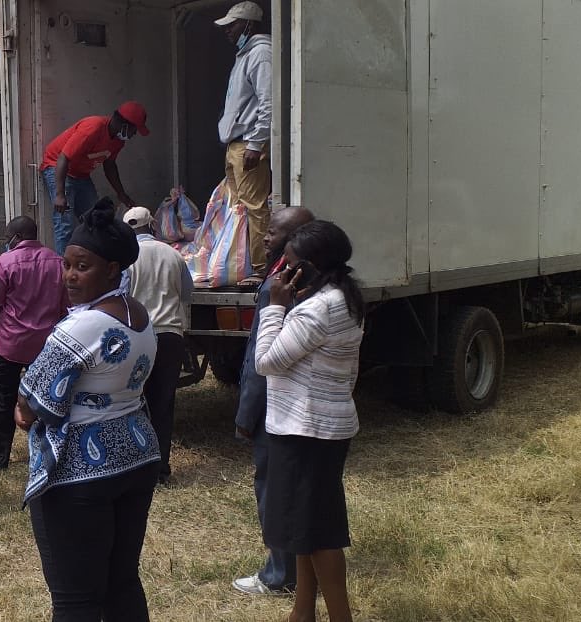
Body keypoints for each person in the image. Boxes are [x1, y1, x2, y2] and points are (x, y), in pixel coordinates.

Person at [15, 198, 162, 620]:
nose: (71, 276)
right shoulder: (139, 314)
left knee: (75, 598)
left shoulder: (83, 326)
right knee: (121, 581)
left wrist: (24, 408)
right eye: (67, 265)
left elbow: (33, 402)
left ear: (113, 269)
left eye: (83, 266)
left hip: (79, 472)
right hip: (137, 454)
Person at [255, 220, 364, 622]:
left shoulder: (318, 308)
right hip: (321, 425)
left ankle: (340, 615)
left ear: (310, 267)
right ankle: (302, 612)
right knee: (304, 530)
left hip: (306, 430)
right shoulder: (344, 298)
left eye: (290, 264)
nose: (282, 272)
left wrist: (275, 307)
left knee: (319, 535)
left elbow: (266, 361)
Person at [232, 206, 314, 596]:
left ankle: (280, 574)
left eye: (275, 231)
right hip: (302, 405)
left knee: (274, 487)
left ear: (296, 239)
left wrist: (247, 412)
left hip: (275, 406)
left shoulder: (280, 284)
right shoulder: (312, 280)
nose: (265, 235)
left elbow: (260, 359)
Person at [0, 216, 68, 470]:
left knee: (1, 401)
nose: (6, 242)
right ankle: (49, 454)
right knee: (48, 400)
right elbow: (65, 306)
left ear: (16, 237)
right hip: (45, 346)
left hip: (10, 344)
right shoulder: (57, 262)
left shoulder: (5, 262)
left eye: (7, 236)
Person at [122, 206, 193, 484]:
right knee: (163, 403)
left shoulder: (126, 260)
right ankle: (161, 469)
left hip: (137, 336)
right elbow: (188, 292)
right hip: (170, 336)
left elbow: (121, 295)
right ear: (152, 225)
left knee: (133, 401)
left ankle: (136, 465)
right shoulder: (173, 254)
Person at [40, 102, 149, 254]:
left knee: (95, 219)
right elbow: (63, 158)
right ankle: (64, 270)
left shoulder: (118, 141)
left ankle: (90, 261)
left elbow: (110, 165)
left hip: (81, 175)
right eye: (134, 129)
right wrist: (60, 194)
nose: (134, 134)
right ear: (124, 124)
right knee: (65, 225)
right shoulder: (93, 127)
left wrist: (121, 194)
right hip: (58, 168)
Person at [216, 1, 274, 286]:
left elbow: (268, 102)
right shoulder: (244, 55)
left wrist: (256, 143)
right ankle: (242, 266)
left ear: (249, 24)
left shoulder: (261, 53)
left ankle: (261, 268)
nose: (228, 31)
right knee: (237, 208)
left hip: (248, 144)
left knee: (253, 206)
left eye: (233, 25)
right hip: (235, 144)